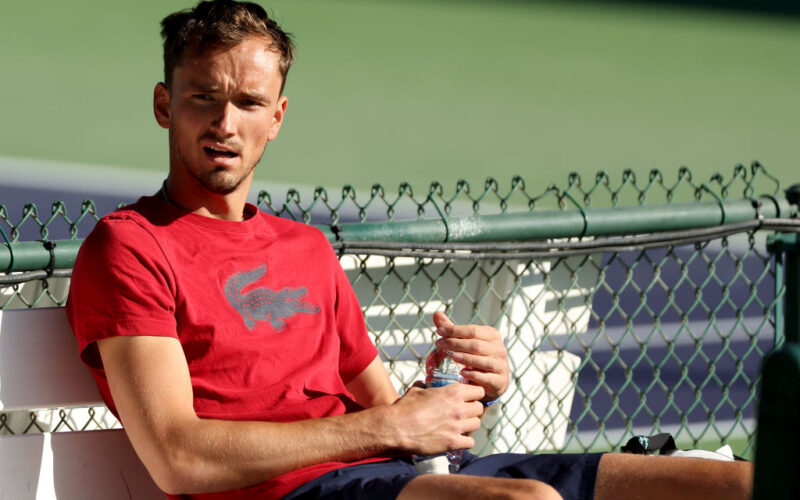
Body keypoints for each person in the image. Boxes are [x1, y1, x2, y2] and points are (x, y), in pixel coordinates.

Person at [66, 1, 752, 499]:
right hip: (295, 495)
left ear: (277, 117)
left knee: (735, 483)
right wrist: (391, 425)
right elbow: (179, 456)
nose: (224, 123)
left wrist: (461, 387)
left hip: (395, 480)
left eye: (248, 103)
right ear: (165, 105)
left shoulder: (305, 248)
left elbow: (395, 416)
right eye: (203, 98)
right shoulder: (131, 246)